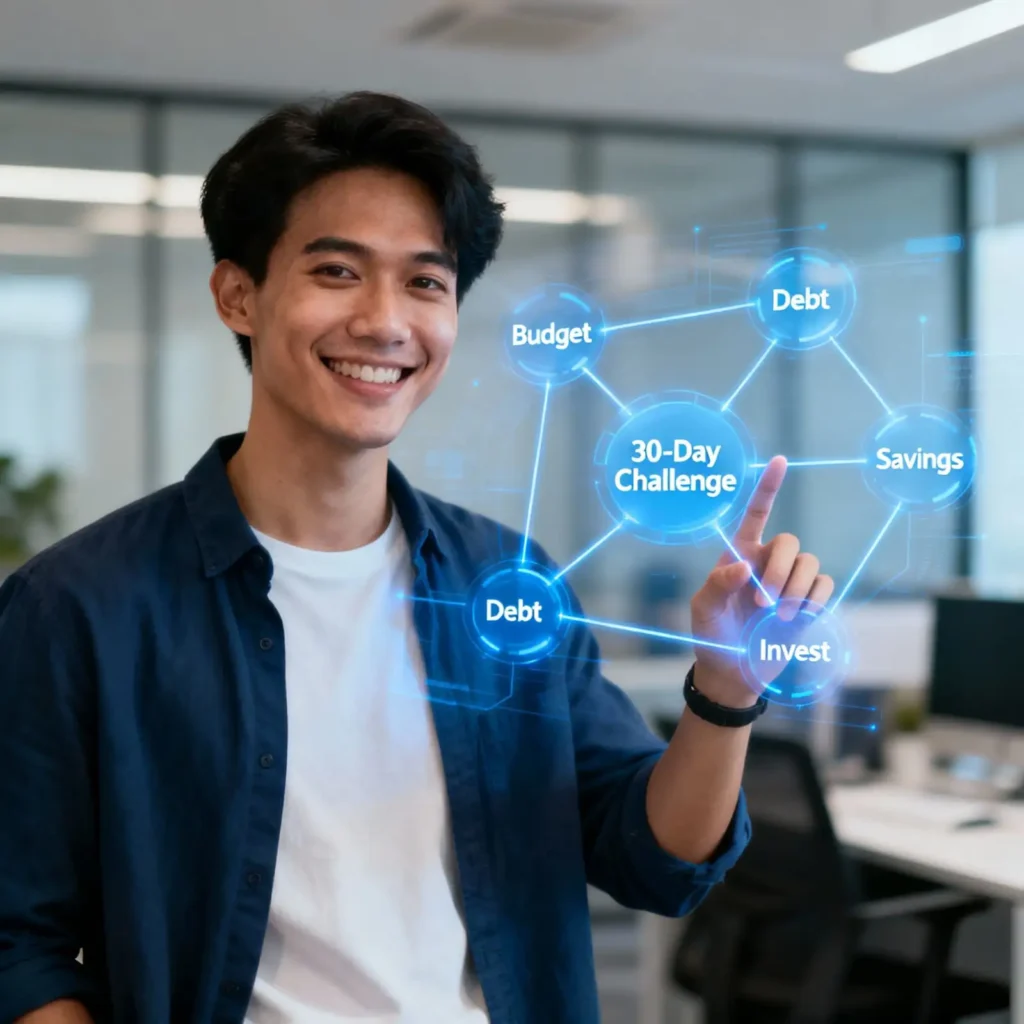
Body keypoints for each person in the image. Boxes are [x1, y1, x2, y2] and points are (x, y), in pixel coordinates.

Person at [0, 91, 833, 1024]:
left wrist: (725, 685)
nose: (386, 322)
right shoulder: (77, 605)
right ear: (239, 294)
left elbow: (656, 859)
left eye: (426, 283)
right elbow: (17, 942)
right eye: (337, 271)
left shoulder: (506, 582)